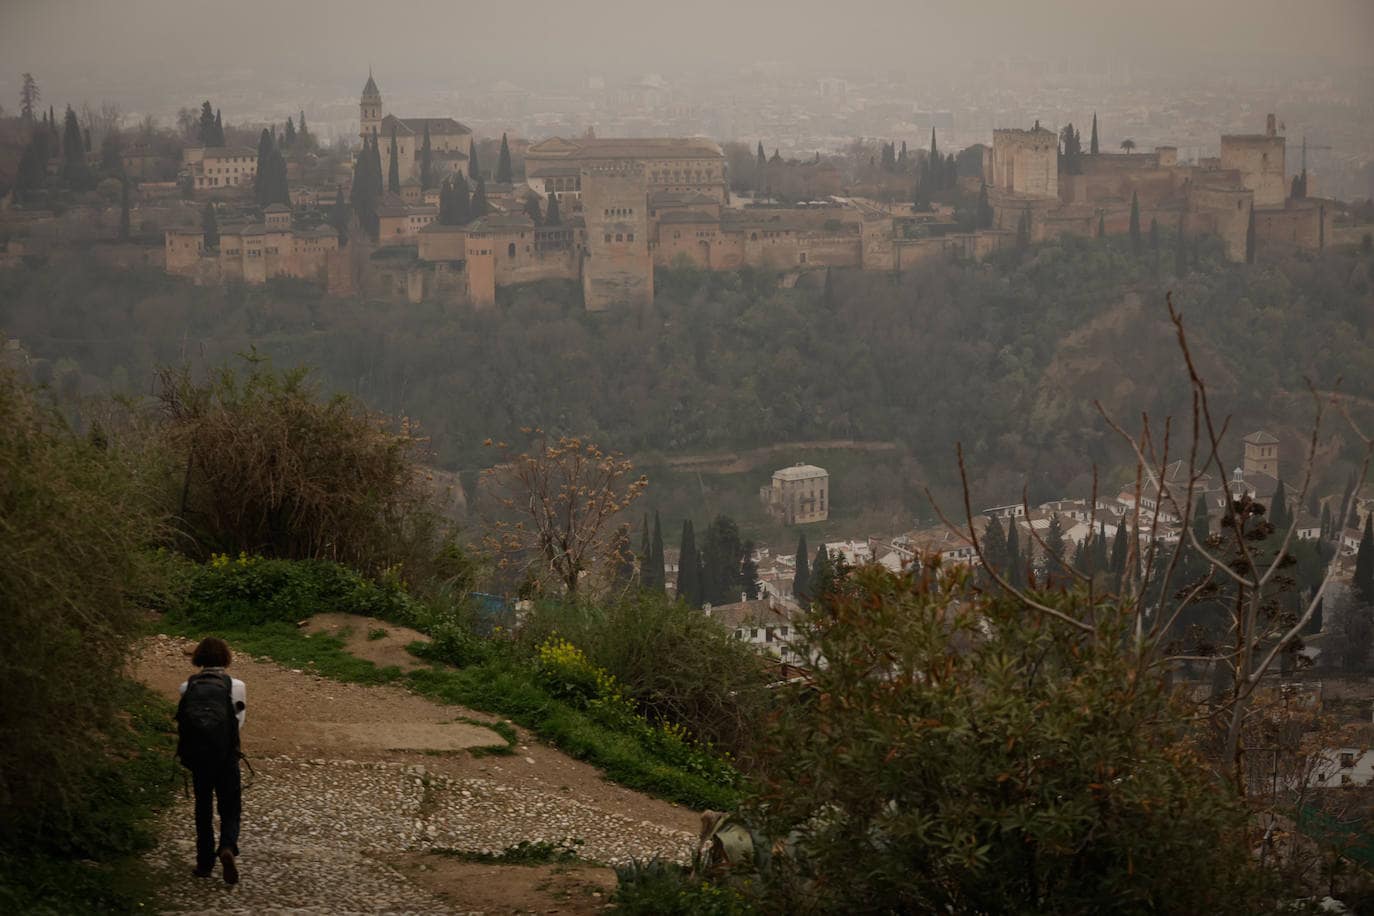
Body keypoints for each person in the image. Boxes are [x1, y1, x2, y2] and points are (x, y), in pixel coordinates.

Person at [177, 637, 247, 884]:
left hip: (198, 758)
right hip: (226, 757)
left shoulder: (188, 686)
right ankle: (227, 847)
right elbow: (239, 722)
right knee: (230, 807)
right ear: (226, 657)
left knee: (202, 810)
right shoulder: (236, 686)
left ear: (199, 658)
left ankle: (204, 864)